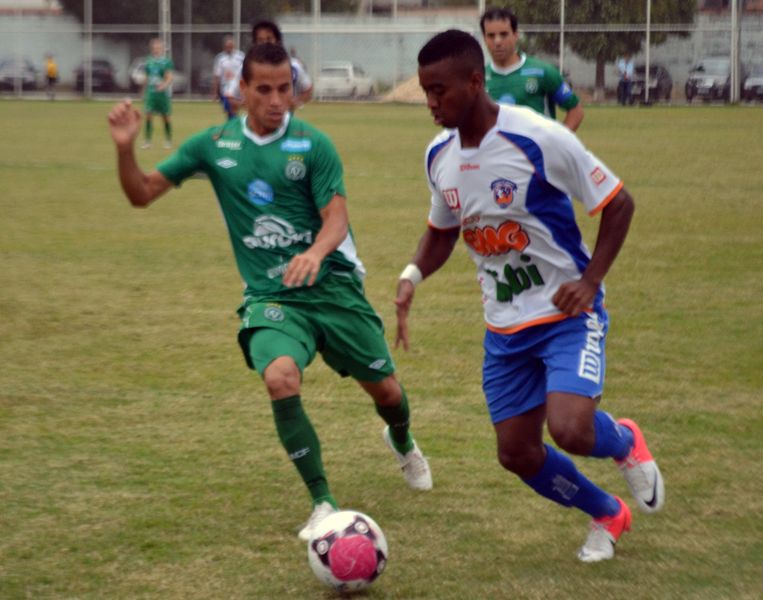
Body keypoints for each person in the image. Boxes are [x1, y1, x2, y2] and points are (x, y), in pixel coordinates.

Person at [107, 43, 432, 541]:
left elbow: (336, 217)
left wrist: (316, 252)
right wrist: (126, 150)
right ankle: (322, 501)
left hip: (333, 287)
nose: (277, 100)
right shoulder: (213, 145)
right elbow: (141, 194)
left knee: (387, 392)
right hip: (272, 296)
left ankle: (403, 441)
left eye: (285, 88)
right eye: (264, 89)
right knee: (280, 378)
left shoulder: (313, 144)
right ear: (241, 91)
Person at [395, 30, 664, 562]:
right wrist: (411, 276)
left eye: (439, 91)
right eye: (425, 91)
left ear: (475, 83)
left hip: (566, 313)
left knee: (570, 429)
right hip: (503, 329)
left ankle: (624, 441)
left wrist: (590, 282)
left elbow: (618, 203)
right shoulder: (438, 156)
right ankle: (607, 513)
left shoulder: (539, 138)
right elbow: (443, 231)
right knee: (516, 453)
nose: (430, 103)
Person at [480, 7, 584, 132]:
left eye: (503, 34)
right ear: (485, 38)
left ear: (516, 35)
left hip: (537, 151)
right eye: (491, 36)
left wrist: (557, 143)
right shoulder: (478, 79)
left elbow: (575, 110)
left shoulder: (543, 72)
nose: (497, 41)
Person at [252, 19, 314, 110]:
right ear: (255, 43)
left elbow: (308, 88)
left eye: (269, 39)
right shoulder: (247, 67)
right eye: (260, 40)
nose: (265, 44)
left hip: (284, 121)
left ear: (277, 41)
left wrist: (296, 102)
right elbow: (232, 95)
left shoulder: (293, 66)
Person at [141, 38, 174, 149]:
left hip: (162, 94)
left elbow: (169, 77)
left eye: (159, 47)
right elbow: (146, 77)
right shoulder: (148, 61)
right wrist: (143, 91)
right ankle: (147, 141)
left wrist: (163, 86)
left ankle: (168, 140)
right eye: (155, 48)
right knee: (148, 115)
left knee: (165, 117)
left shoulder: (166, 62)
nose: (156, 49)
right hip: (151, 93)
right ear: (152, 49)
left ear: (162, 49)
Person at [212, 35, 246, 119]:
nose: (229, 48)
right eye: (227, 46)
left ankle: (233, 124)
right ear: (224, 47)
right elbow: (217, 76)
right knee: (229, 109)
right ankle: (234, 123)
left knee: (233, 110)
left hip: (238, 87)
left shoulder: (241, 57)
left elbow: (246, 71)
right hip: (225, 88)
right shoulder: (220, 58)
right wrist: (215, 92)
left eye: (230, 46)